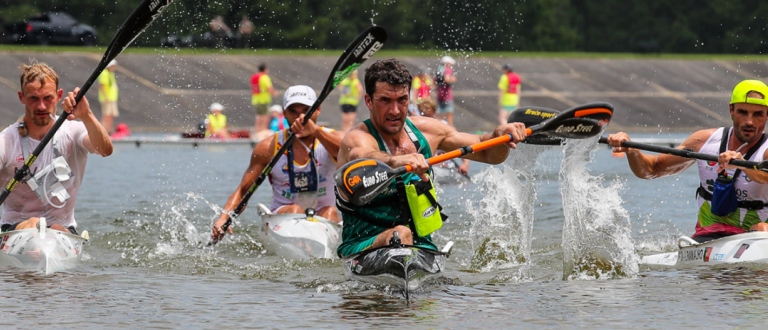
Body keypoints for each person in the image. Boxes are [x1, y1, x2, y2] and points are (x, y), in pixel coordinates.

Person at [334, 58, 527, 257]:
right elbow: (363, 154)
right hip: (362, 247)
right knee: (401, 233)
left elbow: (489, 153)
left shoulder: (427, 132)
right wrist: (396, 161)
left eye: (402, 100)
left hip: (422, 249)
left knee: (404, 236)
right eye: (385, 100)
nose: (395, 110)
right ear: (368, 101)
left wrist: (501, 136)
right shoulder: (357, 138)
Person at [606, 79, 768, 243]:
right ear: (731, 110)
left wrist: (741, 164)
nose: (749, 121)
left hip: (757, 238)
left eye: (758, 114)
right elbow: (652, 169)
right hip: (708, 238)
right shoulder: (704, 141)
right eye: (743, 112)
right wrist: (632, 151)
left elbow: (764, 176)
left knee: (763, 229)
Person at [212, 85, 344, 241]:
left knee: (330, 211)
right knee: (296, 210)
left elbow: (349, 153)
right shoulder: (268, 147)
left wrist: (315, 131)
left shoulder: (333, 139)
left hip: (323, 215)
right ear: (284, 112)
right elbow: (243, 190)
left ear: (317, 110)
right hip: (283, 216)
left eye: (305, 111)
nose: (299, 118)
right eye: (292, 111)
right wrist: (224, 218)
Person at [0, 61, 113, 234]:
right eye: (33, 99)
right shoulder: (6, 140)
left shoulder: (73, 131)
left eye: (48, 98)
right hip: (15, 230)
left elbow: (105, 150)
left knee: (57, 229)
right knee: (34, 224)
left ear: (59, 96)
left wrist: (87, 115)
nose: (41, 106)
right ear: (22, 97)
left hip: (63, 231)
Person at [418, 98, 470, 175]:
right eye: (424, 116)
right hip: (431, 167)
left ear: (434, 112)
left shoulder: (446, 127)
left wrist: (465, 164)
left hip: (448, 169)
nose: (427, 119)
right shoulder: (418, 129)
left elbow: (462, 146)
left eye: (428, 115)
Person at [251, 63, 278, 140]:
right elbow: (269, 88)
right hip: (263, 100)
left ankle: (257, 130)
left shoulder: (255, 77)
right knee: (265, 116)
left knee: (259, 116)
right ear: (265, 70)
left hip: (256, 99)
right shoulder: (264, 77)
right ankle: (262, 131)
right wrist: (274, 93)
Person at [435, 55, 457, 126]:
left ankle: (439, 128)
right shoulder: (448, 69)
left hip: (439, 94)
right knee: (449, 113)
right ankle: (451, 129)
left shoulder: (439, 70)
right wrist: (453, 79)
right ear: (447, 63)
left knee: (440, 114)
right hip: (447, 95)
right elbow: (447, 79)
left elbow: (434, 81)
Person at [98, 59, 119, 134]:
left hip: (112, 98)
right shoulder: (104, 73)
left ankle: (109, 131)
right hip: (107, 98)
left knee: (110, 115)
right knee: (106, 115)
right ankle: (103, 131)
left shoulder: (111, 74)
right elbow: (102, 86)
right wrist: (105, 96)